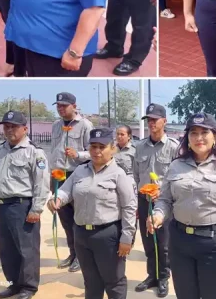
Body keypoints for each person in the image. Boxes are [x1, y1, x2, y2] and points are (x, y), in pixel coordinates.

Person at [149, 112, 216, 299]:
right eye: (193, 133)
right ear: (187, 138)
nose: (199, 138)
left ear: (215, 137)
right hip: (180, 243)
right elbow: (165, 199)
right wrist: (158, 214)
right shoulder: (176, 166)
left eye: (204, 132)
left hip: (214, 244)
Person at [48, 127, 136, 299]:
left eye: (101, 147)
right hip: (81, 234)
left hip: (108, 235)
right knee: (91, 280)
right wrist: (56, 199)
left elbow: (129, 207)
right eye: (93, 146)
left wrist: (127, 237)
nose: (96, 151)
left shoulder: (119, 174)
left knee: (114, 281)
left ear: (112, 148)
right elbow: (66, 191)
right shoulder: (80, 170)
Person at [0, 110, 48, 299]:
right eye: (6, 127)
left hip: (22, 207)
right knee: (6, 249)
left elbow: (42, 184)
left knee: (27, 250)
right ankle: (14, 284)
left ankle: (28, 287)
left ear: (25, 128)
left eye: (14, 127)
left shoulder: (35, 152)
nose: (9, 130)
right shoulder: (0, 150)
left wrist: (37, 209)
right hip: (1, 207)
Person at [133, 103, 179, 297]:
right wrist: (138, 199)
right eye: (149, 120)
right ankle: (151, 275)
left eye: (155, 119)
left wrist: (162, 192)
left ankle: (163, 278)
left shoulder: (174, 148)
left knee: (164, 244)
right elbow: (135, 175)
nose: (151, 123)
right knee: (147, 241)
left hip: (163, 202)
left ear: (164, 121)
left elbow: (177, 177)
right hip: (144, 201)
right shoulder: (140, 146)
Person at [48, 92, 92, 272]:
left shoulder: (85, 125)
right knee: (65, 220)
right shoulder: (56, 125)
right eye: (58, 106)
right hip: (57, 175)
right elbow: (53, 149)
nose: (60, 109)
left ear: (74, 106)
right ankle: (73, 253)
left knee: (78, 220)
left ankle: (82, 257)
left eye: (64, 106)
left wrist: (78, 155)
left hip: (76, 174)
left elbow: (94, 152)